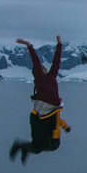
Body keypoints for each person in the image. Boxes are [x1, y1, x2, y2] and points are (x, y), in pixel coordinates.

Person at [9, 36, 70, 164]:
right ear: (35, 73)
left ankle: (26, 148)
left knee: (54, 145)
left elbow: (56, 62)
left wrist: (59, 45)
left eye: (44, 67)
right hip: (39, 118)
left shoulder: (52, 76)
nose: (43, 68)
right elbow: (36, 62)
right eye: (40, 68)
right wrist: (29, 46)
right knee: (38, 147)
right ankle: (20, 146)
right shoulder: (39, 79)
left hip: (52, 113)